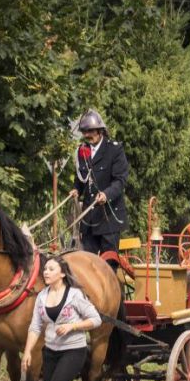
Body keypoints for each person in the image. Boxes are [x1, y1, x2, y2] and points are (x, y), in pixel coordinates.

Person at [21, 256, 102, 381]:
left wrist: (73, 325)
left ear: (62, 274)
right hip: (50, 351)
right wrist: (28, 351)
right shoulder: (42, 297)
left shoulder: (74, 295)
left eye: (51, 269)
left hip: (74, 350)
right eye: (45, 269)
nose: (45, 272)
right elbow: (35, 326)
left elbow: (96, 319)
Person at [69, 110, 129, 267]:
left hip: (109, 217)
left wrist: (106, 194)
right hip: (89, 220)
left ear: (100, 130)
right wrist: (76, 189)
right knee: (86, 266)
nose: (87, 135)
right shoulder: (82, 151)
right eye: (85, 132)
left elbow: (120, 180)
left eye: (91, 131)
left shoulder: (115, 150)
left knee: (108, 265)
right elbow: (80, 178)